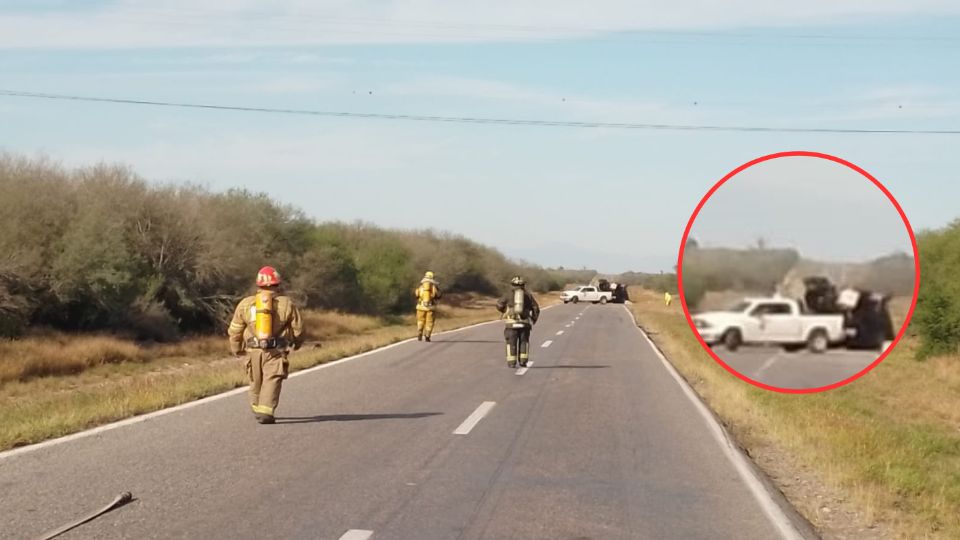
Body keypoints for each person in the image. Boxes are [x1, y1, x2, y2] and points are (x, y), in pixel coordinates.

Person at [228, 266, 304, 424]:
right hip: (275, 351)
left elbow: (234, 331)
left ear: (258, 284)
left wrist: (237, 350)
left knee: (255, 380)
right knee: (272, 378)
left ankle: (257, 407)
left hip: (252, 350)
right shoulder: (286, 304)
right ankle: (265, 410)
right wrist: (297, 343)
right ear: (277, 284)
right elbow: (298, 329)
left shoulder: (245, 304)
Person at [496, 276, 540, 368]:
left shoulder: (508, 294)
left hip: (511, 324)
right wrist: (533, 319)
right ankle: (523, 362)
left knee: (511, 343)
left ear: (512, 285)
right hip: (525, 324)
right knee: (524, 342)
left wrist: (504, 311)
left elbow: (499, 304)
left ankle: (512, 363)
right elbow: (536, 308)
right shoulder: (528, 295)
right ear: (523, 285)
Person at [415, 271, 442, 342]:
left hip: (420, 307)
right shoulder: (433, 287)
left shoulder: (421, 287)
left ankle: (419, 333)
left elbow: (416, 295)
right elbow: (438, 296)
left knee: (420, 321)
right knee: (429, 322)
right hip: (431, 308)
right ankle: (427, 336)